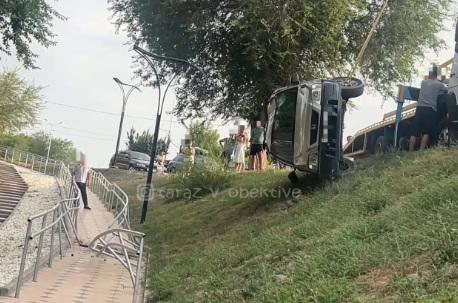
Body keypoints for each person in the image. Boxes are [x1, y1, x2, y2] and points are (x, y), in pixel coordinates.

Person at [409, 65, 448, 151]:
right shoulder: (439, 84)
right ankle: (421, 150)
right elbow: (445, 91)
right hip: (430, 109)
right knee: (426, 132)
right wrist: (442, 79)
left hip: (419, 108)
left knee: (414, 133)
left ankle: (410, 151)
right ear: (437, 75)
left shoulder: (423, 82)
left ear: (429, 74)